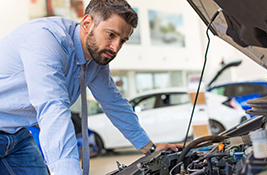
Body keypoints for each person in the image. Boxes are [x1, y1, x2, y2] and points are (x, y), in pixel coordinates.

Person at [0, 0, 182, 174]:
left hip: (17, 134)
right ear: (87, 23)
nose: (115, 47)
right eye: (111, 34)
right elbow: (53, 109)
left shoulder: (95, 61)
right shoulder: (46, 41)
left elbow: (114, 103)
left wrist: (150, 148)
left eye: (123, 40)